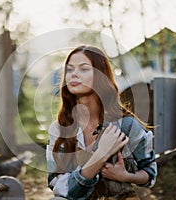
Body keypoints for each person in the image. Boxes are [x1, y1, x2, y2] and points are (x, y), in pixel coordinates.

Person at [46, 45, 157, 199]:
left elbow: (150, 174)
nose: (74, 74)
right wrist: (100, 155)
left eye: (83, 69)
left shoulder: (126, 125)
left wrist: (125, 176)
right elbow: (60, 188)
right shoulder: (59, 129)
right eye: (70, 69)